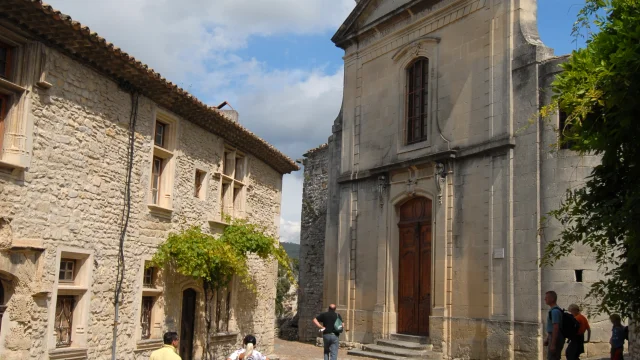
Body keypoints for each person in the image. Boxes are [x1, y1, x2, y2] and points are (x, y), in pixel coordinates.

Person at [543, 291, 565, 360]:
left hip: (555, 338)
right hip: (552, 337)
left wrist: (553, 344)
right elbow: (552, 328)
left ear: (552, 299)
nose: (545, 299)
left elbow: (556, 328)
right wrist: (547, 339)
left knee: (553, 358)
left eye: (546, 298)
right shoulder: (554, 310)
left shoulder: (555, 311)